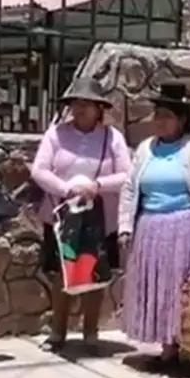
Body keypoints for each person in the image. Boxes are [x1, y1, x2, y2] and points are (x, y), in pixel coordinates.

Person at [118, 81, 190, 376]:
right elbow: (130, 188)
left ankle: (185, 352)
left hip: (187, 228)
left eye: (167, 115)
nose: (160, 121)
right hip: (151, 230)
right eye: (158, 115)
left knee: (184, 293)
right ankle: (167, 351)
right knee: (159, 292)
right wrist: (125, 226)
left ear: (182, 119)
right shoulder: (146, 149)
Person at [30, 77, 132, 352]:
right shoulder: (56, 135)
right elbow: (39, 170)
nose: (80, 109)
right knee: (60, 274)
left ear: (99, 108)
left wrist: (97, 186)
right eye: (76, 103)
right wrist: (66, 189)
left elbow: (127, 175)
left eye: (86, 104)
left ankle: (90, 333)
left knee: (94, 275)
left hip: (99, 219)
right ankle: (58, 332)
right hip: (62, 218)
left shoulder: (112, 138)